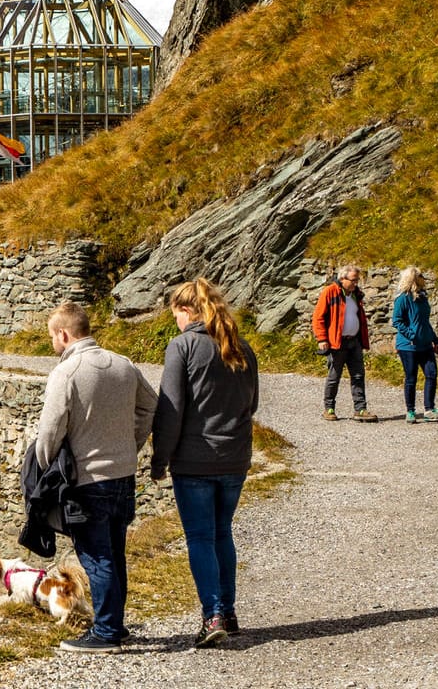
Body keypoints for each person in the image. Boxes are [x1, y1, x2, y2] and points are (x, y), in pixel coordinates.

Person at [32, 301, 157, 653]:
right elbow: (150, 405)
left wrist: (45, 467)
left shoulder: (67, 372)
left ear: (63, 334)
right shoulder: (124, 364)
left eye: (52, 338)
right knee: (115, 552)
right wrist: (132, 442)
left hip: (87, 479)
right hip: (123, 474)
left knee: (96, 555)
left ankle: (105, 633)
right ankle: (115, 625)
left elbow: (50, 429)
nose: (52, 344)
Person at [152, 278, 259, 649]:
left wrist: (159, 459)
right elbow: (253, 404)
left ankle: (211, 614)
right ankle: (227, 612)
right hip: (235, 458)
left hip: (195, 460)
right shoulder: (241, 346)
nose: (176, 323)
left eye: (176, 315)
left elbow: (170, 410)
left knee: (200, 536)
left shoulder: (182, 347)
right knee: (222, 532)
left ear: (186, 311)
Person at [312, 265, 376, 421]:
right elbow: (318, 317)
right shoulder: (330, 292)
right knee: (334, 376)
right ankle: (329, 409)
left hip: (354, 342)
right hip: (337, 343)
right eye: (353, 280)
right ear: (342, 279)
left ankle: (360, 410)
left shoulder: (356, 295)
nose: (356, 283)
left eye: (357, 280)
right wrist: (322, 339)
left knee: (358, 375)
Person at [391, 268, 438, 423]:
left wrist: (435, 339)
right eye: (421, 275)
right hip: (408, 346)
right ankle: (411, 411)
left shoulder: (422, 297)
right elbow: (397, 320)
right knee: (411, 378)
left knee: (431, 374)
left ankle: (429, 409)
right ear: (413, 278)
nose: (424, 278)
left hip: (425, 344)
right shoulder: (402, 298)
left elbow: (424, 322)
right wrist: (412, 335)